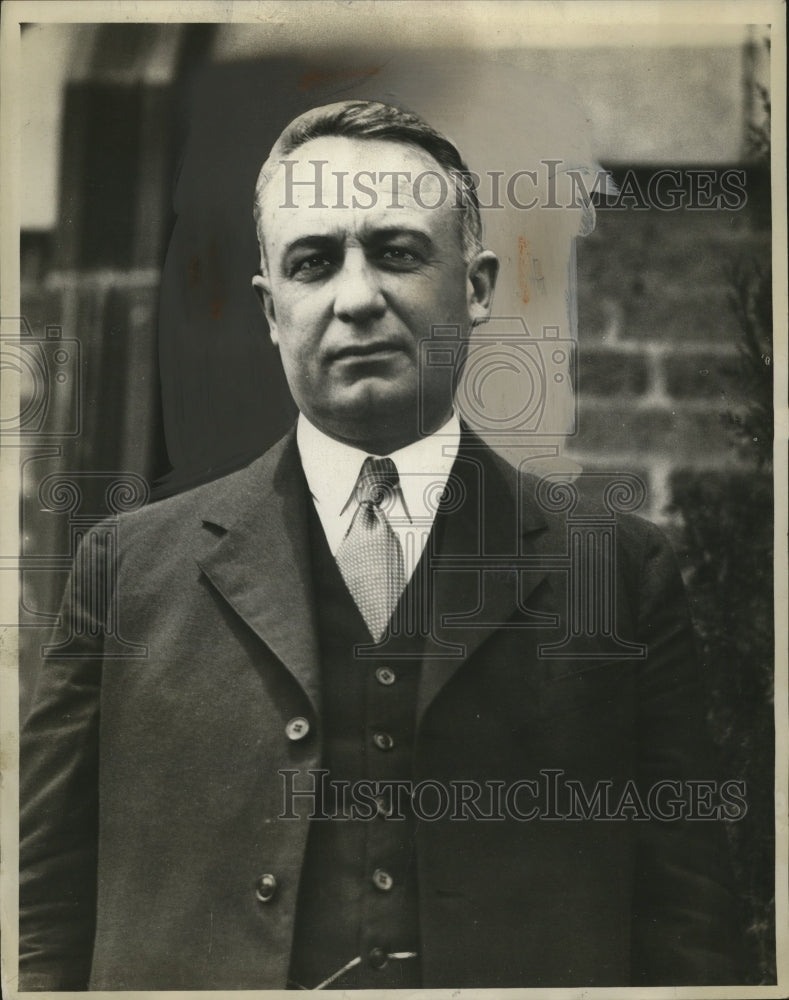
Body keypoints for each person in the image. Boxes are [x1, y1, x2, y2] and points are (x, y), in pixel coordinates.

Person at [19, 100, 744, 990]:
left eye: (397, 253)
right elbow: (42, 919)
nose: (356, 298)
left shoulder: (616, 573)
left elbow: (692, 930)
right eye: (313, 263)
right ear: (271, 311)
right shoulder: (127, 571)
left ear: (475, 287)